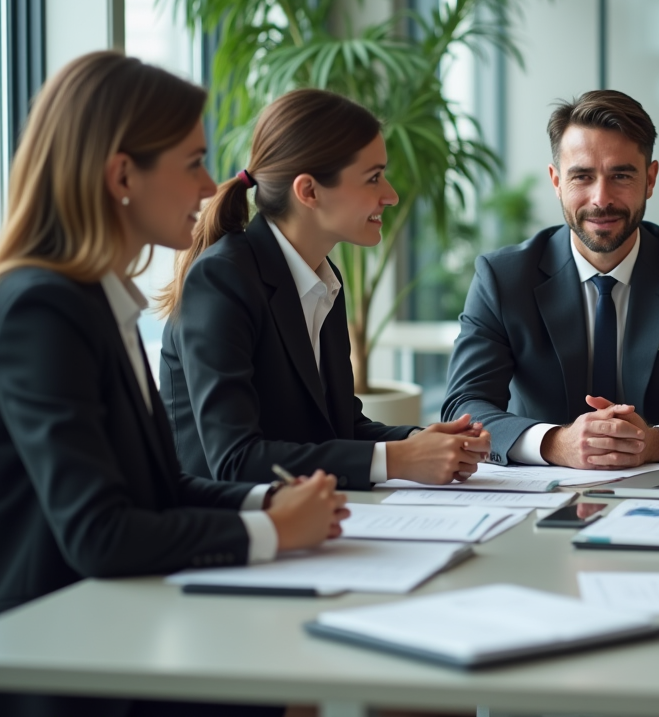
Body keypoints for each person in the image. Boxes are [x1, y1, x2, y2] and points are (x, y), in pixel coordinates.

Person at [0, 51, 347, 717]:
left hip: (107, 623)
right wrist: (274, 533)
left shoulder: (93, 299)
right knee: (290, 684)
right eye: (192, 162)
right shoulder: (39, 308)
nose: (210, 187)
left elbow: (159, 489)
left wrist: (271, 504)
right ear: (122, 176)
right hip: (51, 659)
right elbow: (99, 533)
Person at [159, 89, 489, 489]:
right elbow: (235, 461)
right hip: (226, 533)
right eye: (373, 178)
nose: (391, 195)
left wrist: (421, 442)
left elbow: (340, 430)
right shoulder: (222, 280)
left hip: (307, 521)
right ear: (309, 191)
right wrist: (399, 459)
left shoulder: (322, 277)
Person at [442, 90, 659, 470]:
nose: (601, 198)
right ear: (556, 181)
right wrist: (554, 442)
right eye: (582, 176)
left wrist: (658, 442)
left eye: (621, 175)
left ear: (650, 179)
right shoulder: (502, 278)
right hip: (537, 490)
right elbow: (463, 406)